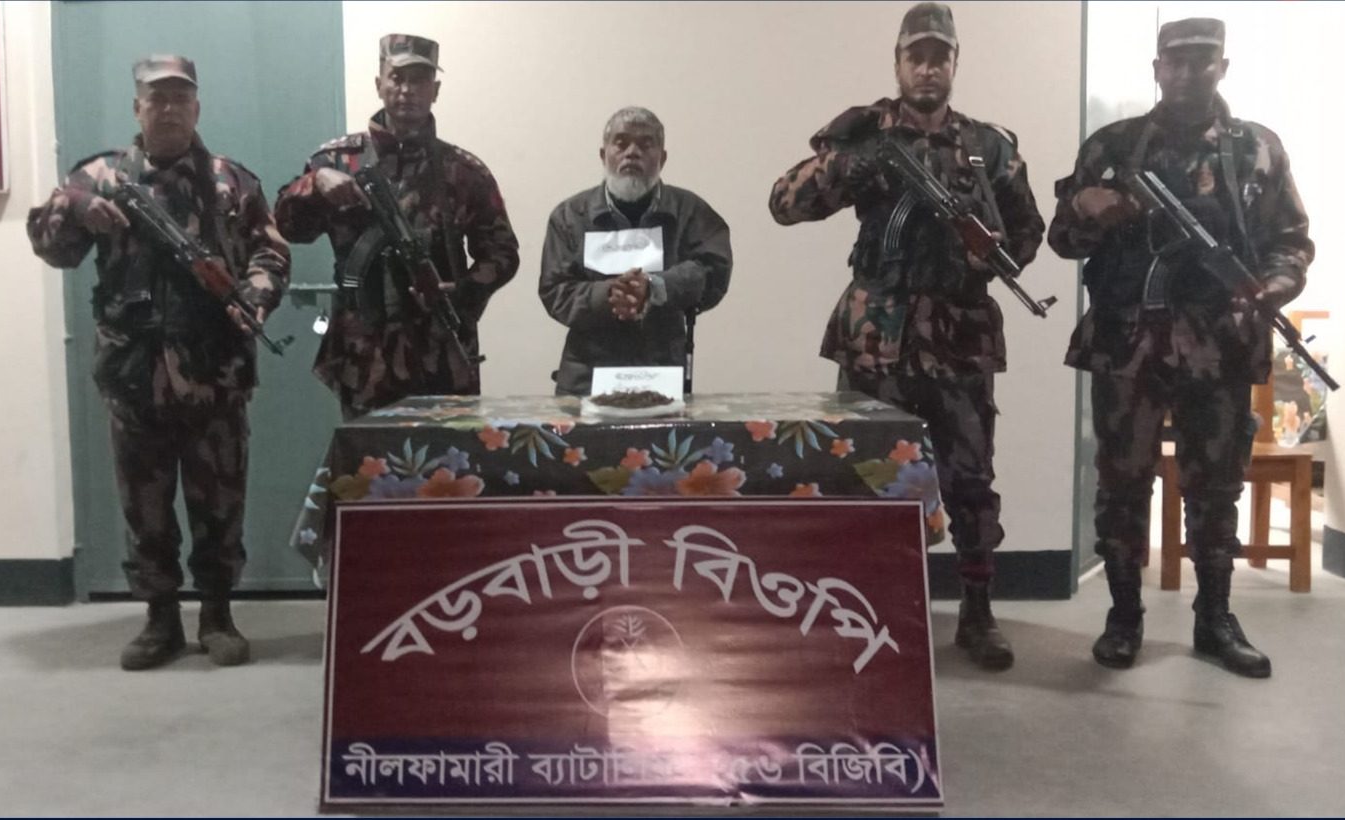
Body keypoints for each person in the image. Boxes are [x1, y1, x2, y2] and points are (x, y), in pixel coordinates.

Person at [768, 2, 1044, 671]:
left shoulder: (989, 146)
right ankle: (868, 611)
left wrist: (990, 252)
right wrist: (853, 167)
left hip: (960, 336)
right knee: (866, 476)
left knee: (970, 479)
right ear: (897, 63)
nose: (927, 68)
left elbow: (1028, 231)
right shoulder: (863, 133)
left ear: (955, 64)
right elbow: (784, 204)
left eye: (938, 57)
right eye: (915, 56)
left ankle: (977, 612)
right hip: (876, 338)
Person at [1048, 18, 1312, 678]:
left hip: (1220, 347)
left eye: (1203, 61)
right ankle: (1123, 617)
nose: (1189, 73)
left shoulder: (1257, 150)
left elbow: (1291, 242)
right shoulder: (1114, 145)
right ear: (1157, 67)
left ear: (1224, 67)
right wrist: (1088, 206)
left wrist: (1272, 287)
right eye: (1177, 61)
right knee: (1122, 483)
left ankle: (1215, 619)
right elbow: (1062, 240)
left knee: (1216, 490)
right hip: (1128, 345)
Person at [27, 55, 291, 670]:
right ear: (137, 107)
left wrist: (254, 295)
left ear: (197, 107)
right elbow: (52, 248)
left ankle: (218, 615)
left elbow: (271, 253)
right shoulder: (97, 176)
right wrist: (75, 208)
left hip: (215, 372)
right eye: (157, 98)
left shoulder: (232, 182)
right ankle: (160, 619)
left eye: (180, 98)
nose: (169, 108)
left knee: (220, 503)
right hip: (134, 374)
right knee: (144, 507)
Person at [274, 34, 519, 418]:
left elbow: (503, 254)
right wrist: (314, 184)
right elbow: (291, 229)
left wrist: (464, 291)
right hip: (364, 355)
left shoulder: (463, 171)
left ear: (435, 91)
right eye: (397, 78)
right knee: (366, 457)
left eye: (419, 80)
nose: (407, 90)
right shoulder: (335, 161)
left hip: (442, 352)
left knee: (448, 456)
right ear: (379, 84)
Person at [538, 107, 732, 396]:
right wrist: (609, 295)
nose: (632, 153)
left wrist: (655, 287)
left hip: (662, 371)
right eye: (621, 143)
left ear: (662, 158)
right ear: (603, 154)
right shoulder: (569, 216)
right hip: (585, 377)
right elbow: (554, 290)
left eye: (645, 144)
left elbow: (713, 270)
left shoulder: (690, 211)